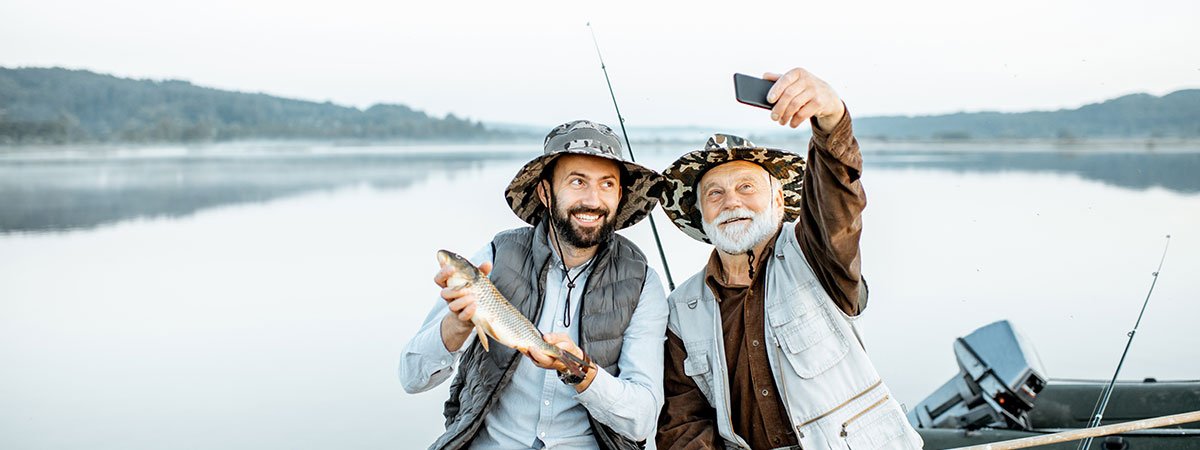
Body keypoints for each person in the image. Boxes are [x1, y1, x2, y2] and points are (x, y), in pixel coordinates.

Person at [655, 68, 924, 449]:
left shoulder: (816, 253)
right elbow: (682, 423)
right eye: (714, 194)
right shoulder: (681, 310)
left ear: (779, 201)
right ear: (701, 216)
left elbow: (836, 202)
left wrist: (831, 118)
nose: (731, 201)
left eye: (747, 186)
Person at [400, 120, 670, 450]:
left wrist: (578, 370)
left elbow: (643, 418)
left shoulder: (642, 282)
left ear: (620, 195)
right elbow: (411, 376)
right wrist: (455, 325)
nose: (593, 199)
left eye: (607, 184)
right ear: (545, 192)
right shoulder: (495, 257)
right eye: (577, 181)